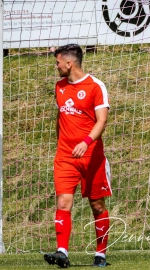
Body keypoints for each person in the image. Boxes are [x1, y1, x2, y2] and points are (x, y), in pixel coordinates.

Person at [44, 44, 112, 268]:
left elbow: (102, 120)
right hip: (65, 156)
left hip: (91, 155)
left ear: (69, 63)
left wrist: (86, 142)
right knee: (63, 201)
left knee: (97, 205)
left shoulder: (96, 85)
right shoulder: (59, 86)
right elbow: (59, 116)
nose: (56, 67)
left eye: (57, 63)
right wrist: (59, 143)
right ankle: (62, 251)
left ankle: (100, 254)